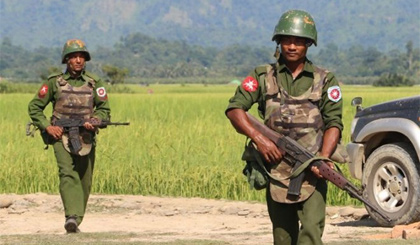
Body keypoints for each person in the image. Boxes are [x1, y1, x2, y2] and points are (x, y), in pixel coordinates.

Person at [225, 10, 345, 245]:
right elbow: (235, 110)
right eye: (287, 40)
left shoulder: (325, 80)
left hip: (313, 170)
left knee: (310, 233)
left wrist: (323, 158)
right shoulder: (262, 76)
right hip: (276, 170)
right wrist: (261, 139)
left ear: (308, 44)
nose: (292, 46)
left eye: (299, 41)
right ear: (278, 42)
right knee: (282, 238)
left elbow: (334, 122)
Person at [28, 39, 111, 233]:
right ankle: (71, 217)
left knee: (85, 179)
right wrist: (47, 127)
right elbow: (35, 107)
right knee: (67, 172)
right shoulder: (53, 83)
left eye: (81, 56)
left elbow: (104, 110)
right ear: (66, 60)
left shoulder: (94, 83)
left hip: (86, 137)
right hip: (60, 136)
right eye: (74, 56)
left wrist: (96, 120)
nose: (78, 60)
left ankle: (76, 218)